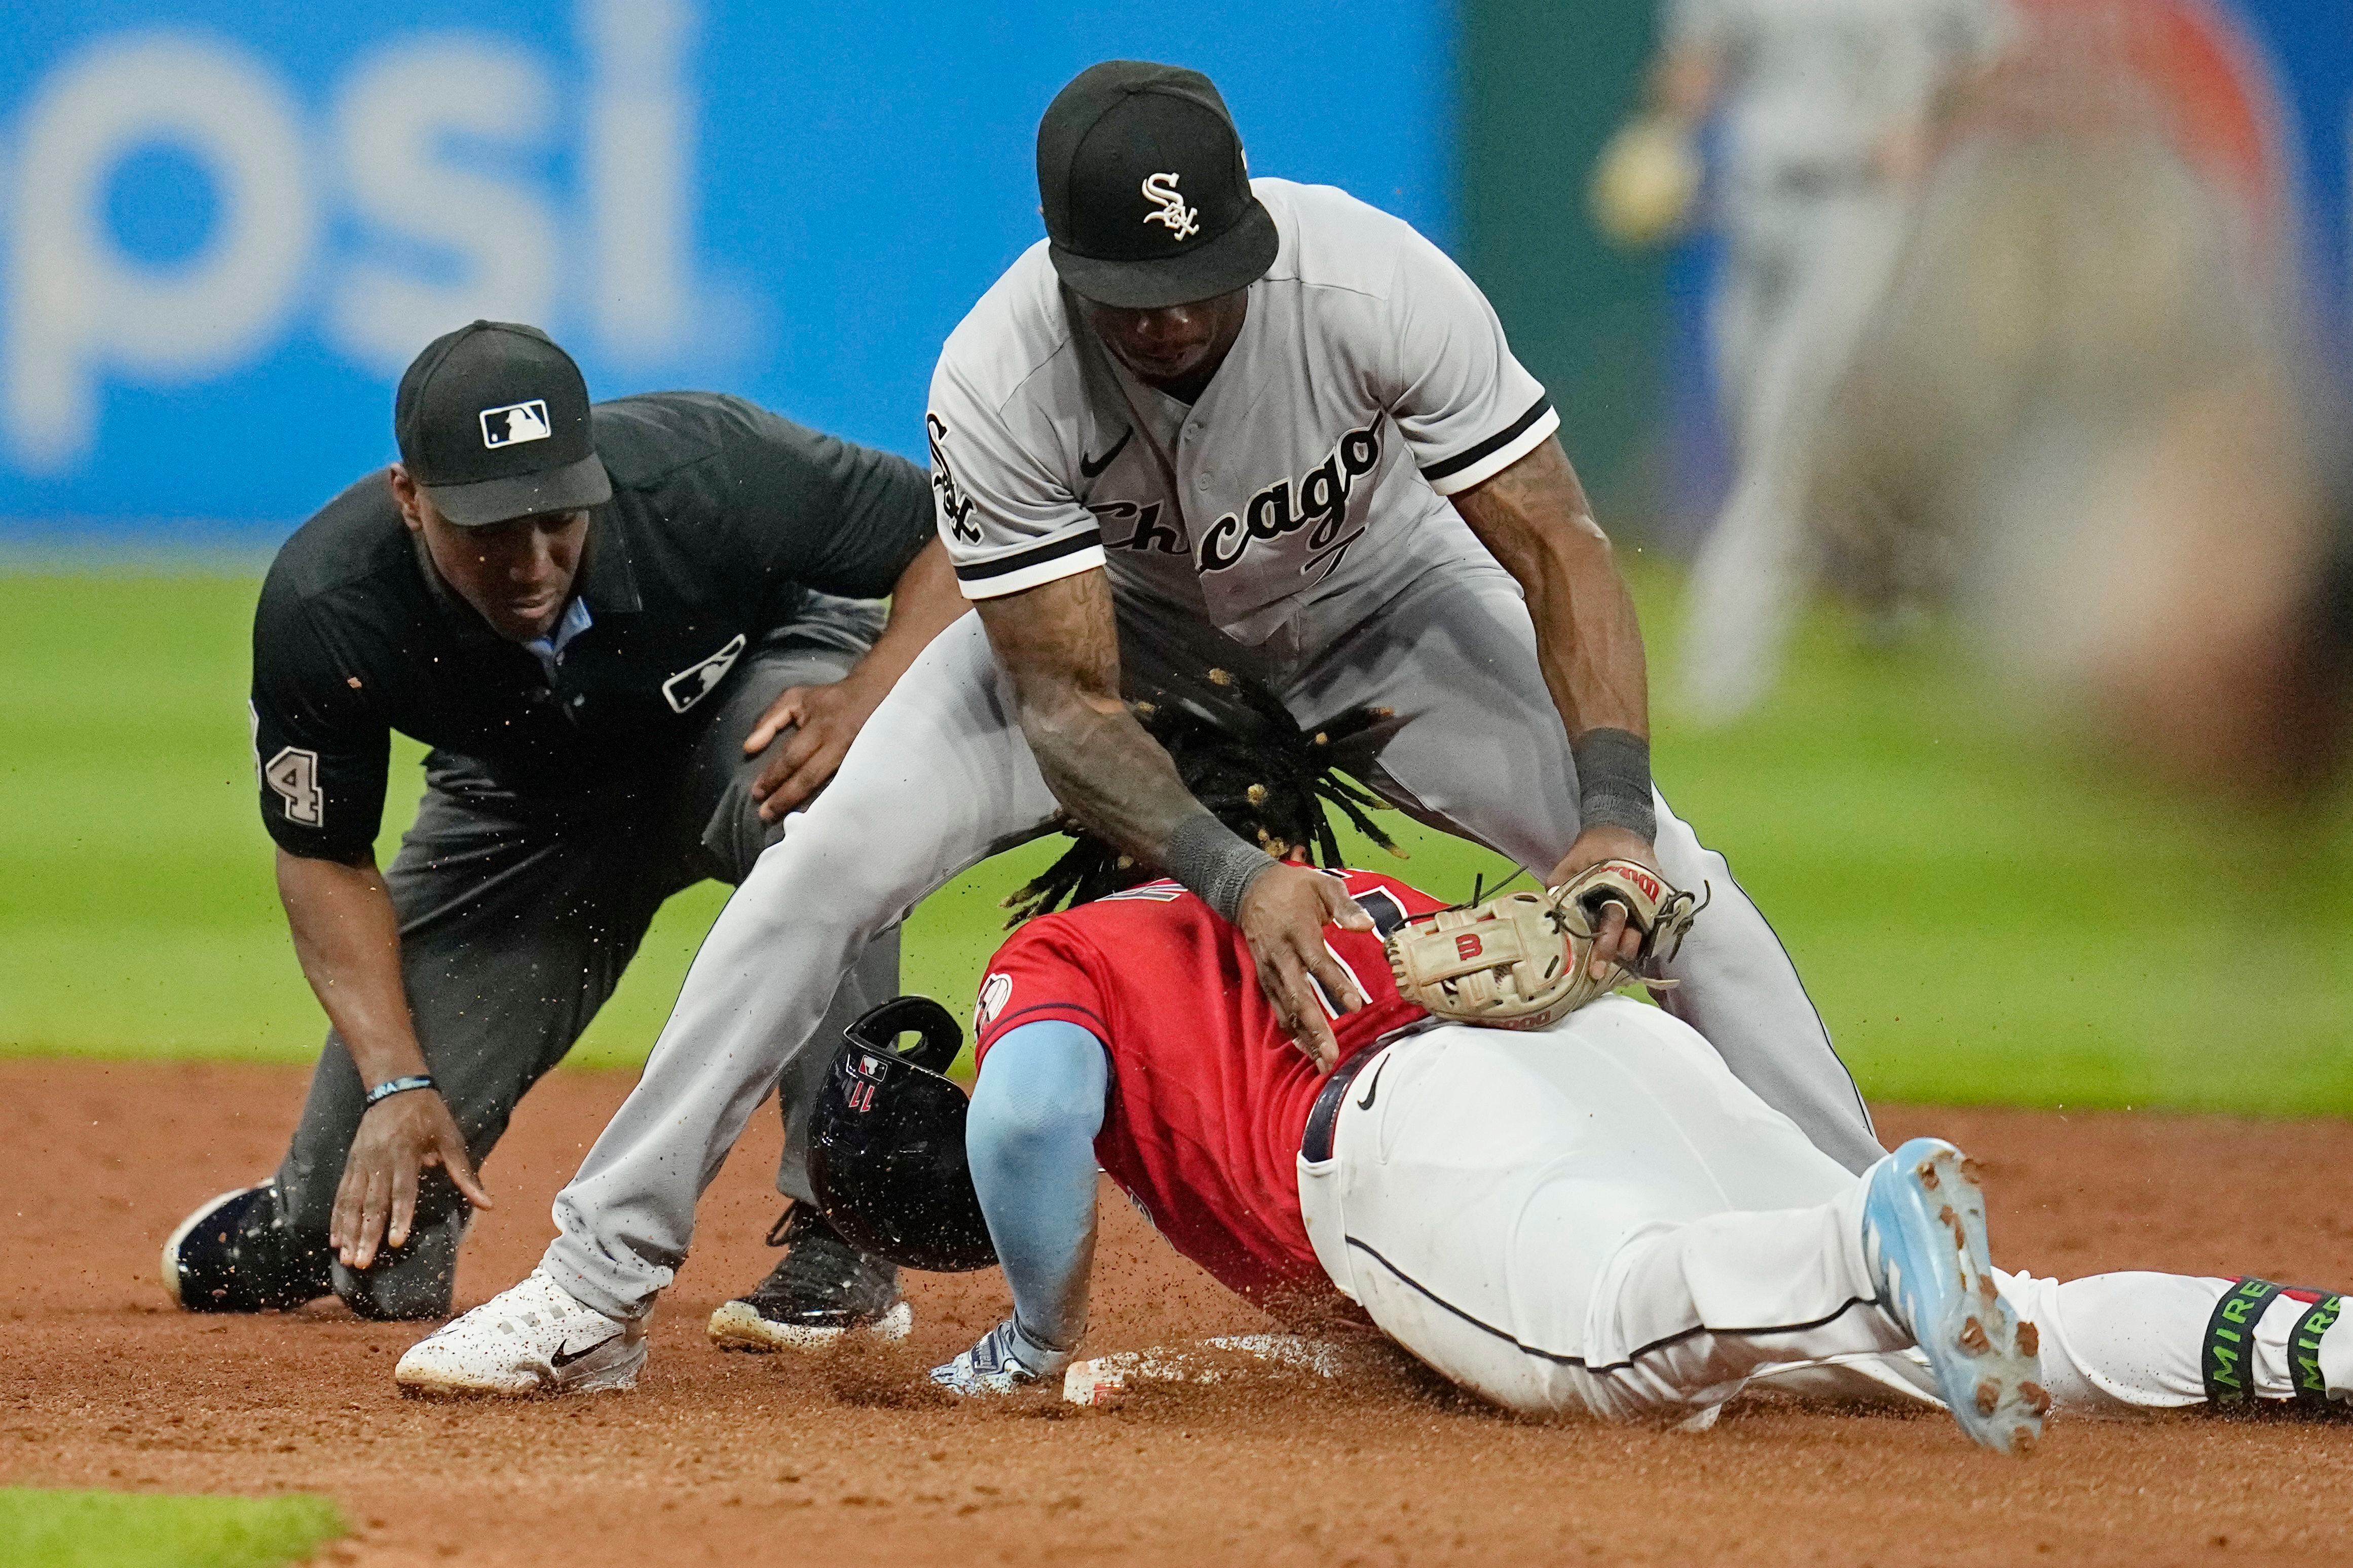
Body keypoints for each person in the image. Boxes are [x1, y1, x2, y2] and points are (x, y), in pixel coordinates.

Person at [393, 59, 1880, 1396]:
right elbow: (1060, 706)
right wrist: (1234, 874)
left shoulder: (1372, 285)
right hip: (1113, 641)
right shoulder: (1000, 375)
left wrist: (1609, 804)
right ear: (1061, 262)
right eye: (1129, 284)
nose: (1169, 312)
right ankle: (597, 1284)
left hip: (1377, 609)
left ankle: (1878, 1248)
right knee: (818, 872)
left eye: (1201, 273)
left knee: (1676, 881)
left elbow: (1557, 544)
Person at [917, 680, 2351, 1452]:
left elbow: (1035, 1113)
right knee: (1995, 1328)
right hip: (1611, 1050)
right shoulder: (1344, 892)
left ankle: (1859, 1238)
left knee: (1612, 1350)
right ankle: (2314, 1342)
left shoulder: (1075, 950)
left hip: (1417, 1131)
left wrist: (1037, 1333)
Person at [161, 321, 964, 1331]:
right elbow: (324, 856)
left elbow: (958, 528)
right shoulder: (330, 603)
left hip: (751, 710)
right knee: (366, 1253)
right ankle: (296, 1219)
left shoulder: (706, 468)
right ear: (410, 499)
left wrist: (870, 689)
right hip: (522, 807)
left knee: (831, 806)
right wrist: (396, 1078)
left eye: (558, 518)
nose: (533, 562)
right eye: (490, 529)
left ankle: (846, 1235)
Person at [1593, 0, 2003, 720]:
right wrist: (1667, 135)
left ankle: (1724, 664)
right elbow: (1697, 65)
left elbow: (1989, 54)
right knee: (1761, 429)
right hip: (1755, 203)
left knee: (1782, 436)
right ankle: (1893, 564)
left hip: (1860, 205)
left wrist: (1928, 125)